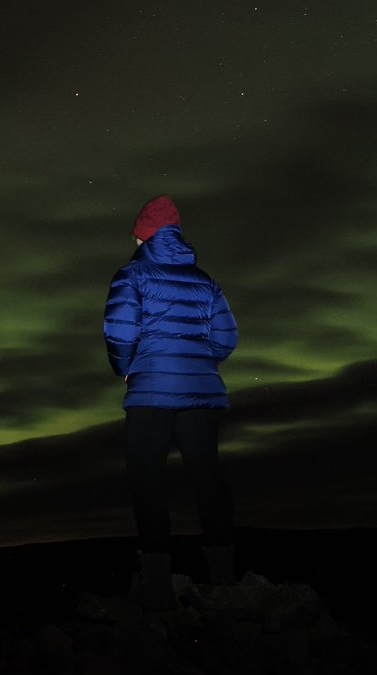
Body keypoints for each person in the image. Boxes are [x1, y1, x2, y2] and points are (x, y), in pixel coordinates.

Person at [102, 194, 238, 610]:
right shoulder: (205, 279)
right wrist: (198, 362)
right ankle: (225, 578)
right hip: (201, 395)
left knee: (148, 482)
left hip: (150, 394)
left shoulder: (133, 275)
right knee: (207, 481)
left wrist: (124, 368)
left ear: (144, 234)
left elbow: (120, 330)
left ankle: (158, 585)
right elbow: (226, 337)